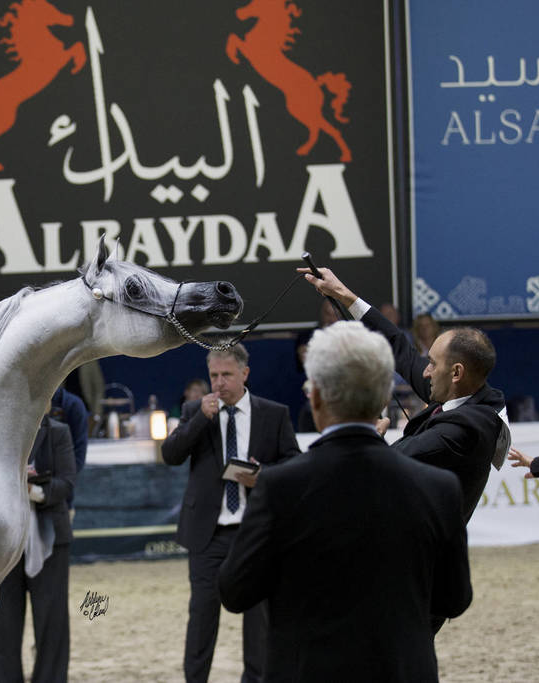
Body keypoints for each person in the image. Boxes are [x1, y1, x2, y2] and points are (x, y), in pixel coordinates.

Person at [218, 322, 472, 682]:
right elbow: (454, 599)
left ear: (316, 396)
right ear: (384, 398)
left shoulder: (279, 487)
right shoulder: (439, 487)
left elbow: (235, 591)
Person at [299, 266, 507, 525]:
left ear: (456, 373)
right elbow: (399, 346)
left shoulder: (462, 432)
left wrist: (370, 435)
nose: (426, 372)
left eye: (432, 363)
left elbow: (389, 460)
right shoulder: (467, 393)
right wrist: (343, 294)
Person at [161, 343, 300, 683]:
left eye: (226, 375)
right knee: (202, 618)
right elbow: (170, 454)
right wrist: (199, 420)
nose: (219, 383)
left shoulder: (273, 413)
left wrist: (261, 475)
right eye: (213, 375)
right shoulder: (196, 409)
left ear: (245, 374)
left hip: (254, 534)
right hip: (208, 535)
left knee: (259, 622)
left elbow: (294, 464)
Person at [0, 414, 76, 683]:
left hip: (51, 539)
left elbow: (66, 483)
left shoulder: (59, 433)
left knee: (52, 622)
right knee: (3, 624)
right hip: (4, 541)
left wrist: (31, 491)